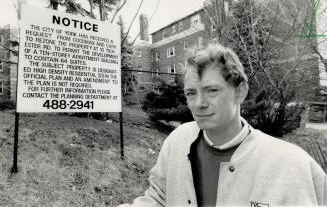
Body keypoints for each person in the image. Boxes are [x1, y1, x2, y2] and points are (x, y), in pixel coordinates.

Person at [119, 43, 327, 206]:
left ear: (240, 91)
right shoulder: (178, 141)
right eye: (191, 93)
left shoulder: (292, 164)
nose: (199, 103)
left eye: (212, 91)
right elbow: (158, 198)